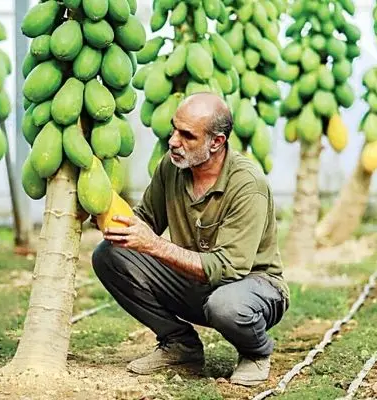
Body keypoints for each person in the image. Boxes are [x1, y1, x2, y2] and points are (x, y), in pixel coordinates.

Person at [90, 92, 290, 387]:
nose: (173, 141)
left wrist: (155, 245)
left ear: (216, 142)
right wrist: (100, 205)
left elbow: (229, 268)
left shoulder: (248, 184)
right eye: (174, 129)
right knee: (109, 254)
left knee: (226, 305)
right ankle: (180, 343)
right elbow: (145, 220)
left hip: (251, 287)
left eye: (187, 135)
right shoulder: (171, 168)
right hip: (195, 281)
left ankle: (255, 352)